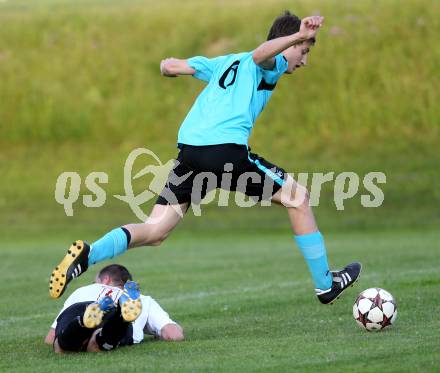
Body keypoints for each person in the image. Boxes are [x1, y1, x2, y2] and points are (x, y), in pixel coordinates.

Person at [49, 11, 361, 305]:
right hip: (223, 150)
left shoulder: (224, 62)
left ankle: (87, 255)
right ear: (287, 43)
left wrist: (167, 68)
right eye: (303, 51)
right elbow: (259, 56)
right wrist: (297, 37)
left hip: (190, 153)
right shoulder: (271, 63)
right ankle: (325, 284)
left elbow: (169, 66)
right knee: (299, 198)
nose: (304, 60)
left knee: (155, 230)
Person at [45, 264, 183, 353]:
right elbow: (173, 334)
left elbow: (50, 337)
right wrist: (156, 335)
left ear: (105, 280)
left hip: (81, 308)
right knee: (97, 344)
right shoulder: (144, 300)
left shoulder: (82, 290)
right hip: (115, 323)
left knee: (61, 346)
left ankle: (81, 323)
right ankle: (121, 316)